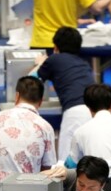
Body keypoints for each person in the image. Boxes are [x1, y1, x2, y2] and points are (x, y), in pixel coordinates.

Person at [32, 27, 95, 161]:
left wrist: (40, 63)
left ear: (55, 47)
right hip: (93, 112)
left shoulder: (54, 59)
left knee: (65, 163)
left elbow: (31, 80)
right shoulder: (84, 64)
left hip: (75, 113)